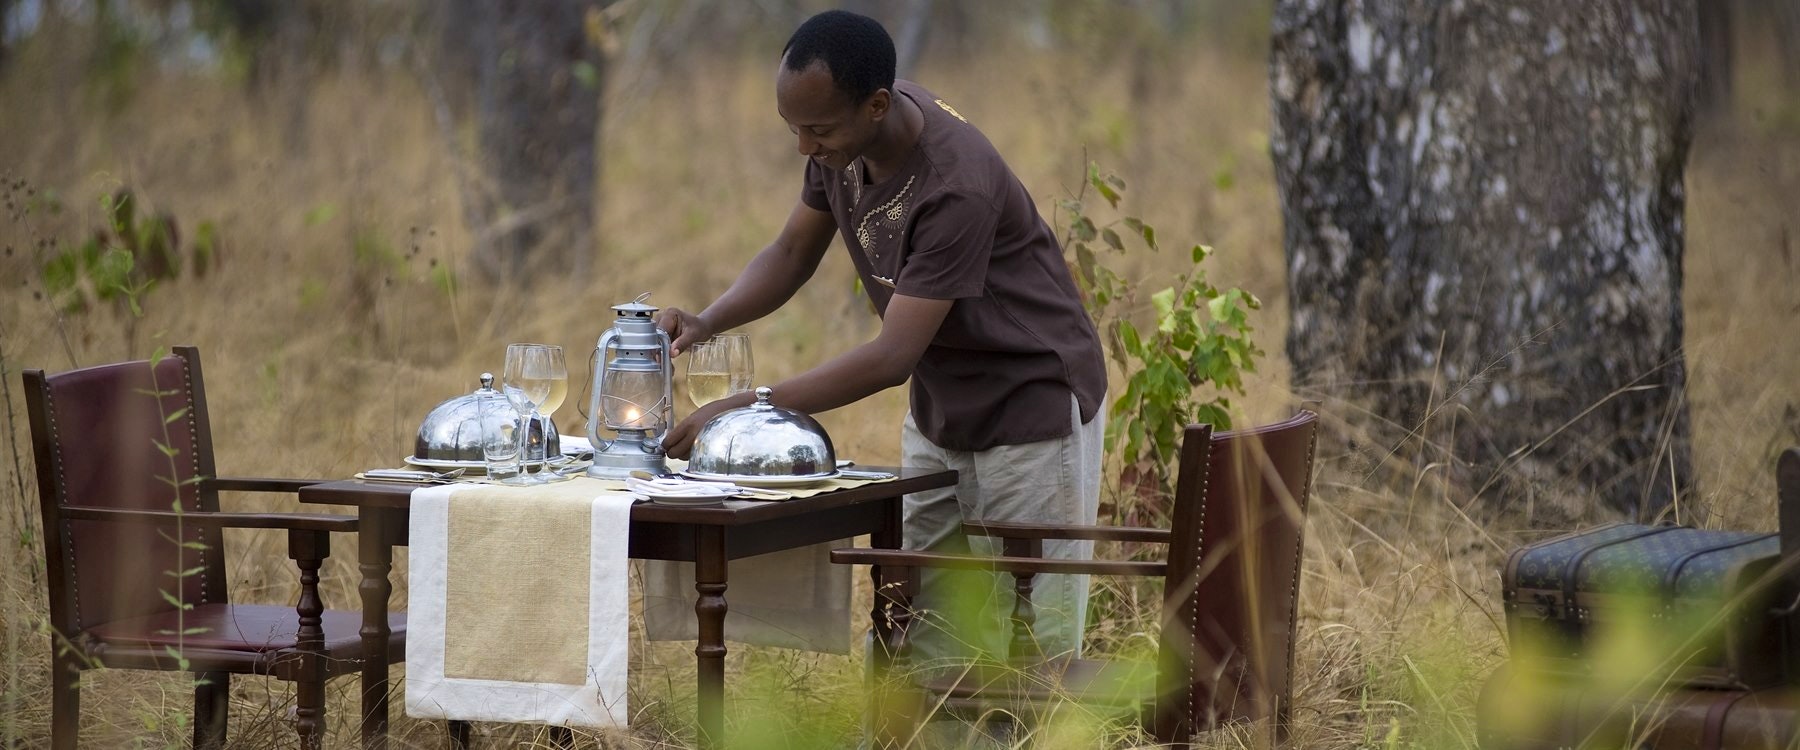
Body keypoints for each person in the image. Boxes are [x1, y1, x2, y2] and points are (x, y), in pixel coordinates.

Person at [656, 9, 1107, 664]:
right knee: (914, 629)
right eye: (793, 128)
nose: (805, 148)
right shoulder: (846, 142)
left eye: (818, 130)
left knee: (1029, 651)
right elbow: (790, 252)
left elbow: (892, 357)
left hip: (1029, 413)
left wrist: (746, 409)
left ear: (876, 105)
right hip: (941, 410)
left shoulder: (955, 185)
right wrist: (707, 320)